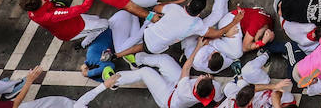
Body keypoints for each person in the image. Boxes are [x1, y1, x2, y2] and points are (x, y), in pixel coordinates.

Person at [77, 51, 216, 108]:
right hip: (176, 86)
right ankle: (137, 59)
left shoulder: (187, 90)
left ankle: (114, 81)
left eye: (201, 78)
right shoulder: (212, 89)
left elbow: (186, 68)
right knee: (164, 59)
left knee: (145, 72)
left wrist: (199, 46)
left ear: (197, 85)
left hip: (166, 97)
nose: (202, 76)